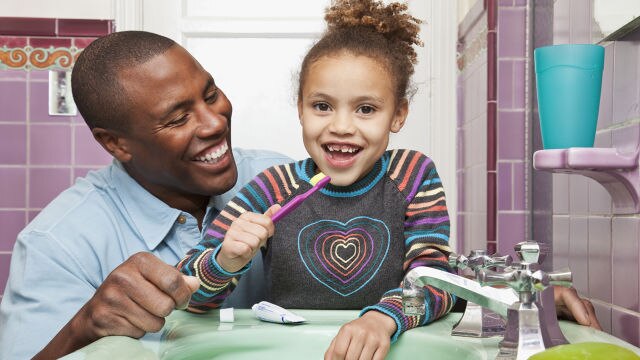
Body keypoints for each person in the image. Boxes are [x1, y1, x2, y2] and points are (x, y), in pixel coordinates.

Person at [177, 1, 603, 359]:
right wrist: (225, 262)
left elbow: (433, 274)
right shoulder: (271, 189)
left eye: (366, 109)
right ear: (300, 108)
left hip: (391, 343)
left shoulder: (412, 175)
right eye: (322, 106)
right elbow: (189, 295)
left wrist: (383, 317)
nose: (341, 126)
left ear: (397, 114)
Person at [0, 31, 292, 360]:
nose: (215, 123)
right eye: (178, 118)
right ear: (116, 144)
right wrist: (83, 328)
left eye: (210, 95)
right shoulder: (56, 245)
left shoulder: (282, 180)